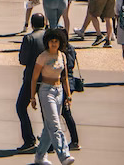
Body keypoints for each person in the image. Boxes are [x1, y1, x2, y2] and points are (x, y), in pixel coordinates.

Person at [28, 27, 75, 165]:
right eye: (51, 41)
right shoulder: (42, 57)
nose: (54, 44)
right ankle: (64, 155)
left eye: (56, 41)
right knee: (55, 124)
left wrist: (68, 95)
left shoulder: (62, 56)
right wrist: (32, 97)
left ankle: (40, 156)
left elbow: (65, 77)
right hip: (46, 91)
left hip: (59, 91)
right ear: (47, 42)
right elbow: (34, 78)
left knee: (49, 126)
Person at [14, 12, 49, 150]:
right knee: (46, 110)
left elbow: (23, 60)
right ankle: (49, 139)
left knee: (21, 107)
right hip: (48, 76)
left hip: (31, 77)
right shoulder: (49, 36)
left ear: (32, 24)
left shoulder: (29, 38)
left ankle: (29, 139)